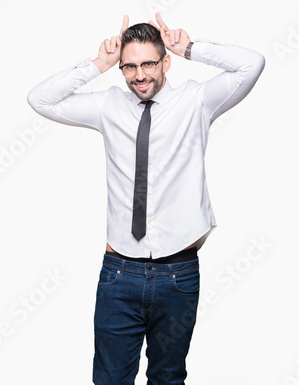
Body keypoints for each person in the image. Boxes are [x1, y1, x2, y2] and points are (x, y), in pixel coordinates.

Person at [27, 12, 265, 385]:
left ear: (165, 61)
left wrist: (189, 47)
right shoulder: (108, 106)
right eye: (129, 66)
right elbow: (40, 99)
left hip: (178, 275)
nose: (140, 75)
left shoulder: (197, 101)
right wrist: (97, 64)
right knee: (109, 380)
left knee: (167, 379)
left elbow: (252, 64)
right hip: (119, 274)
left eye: (149, 63)